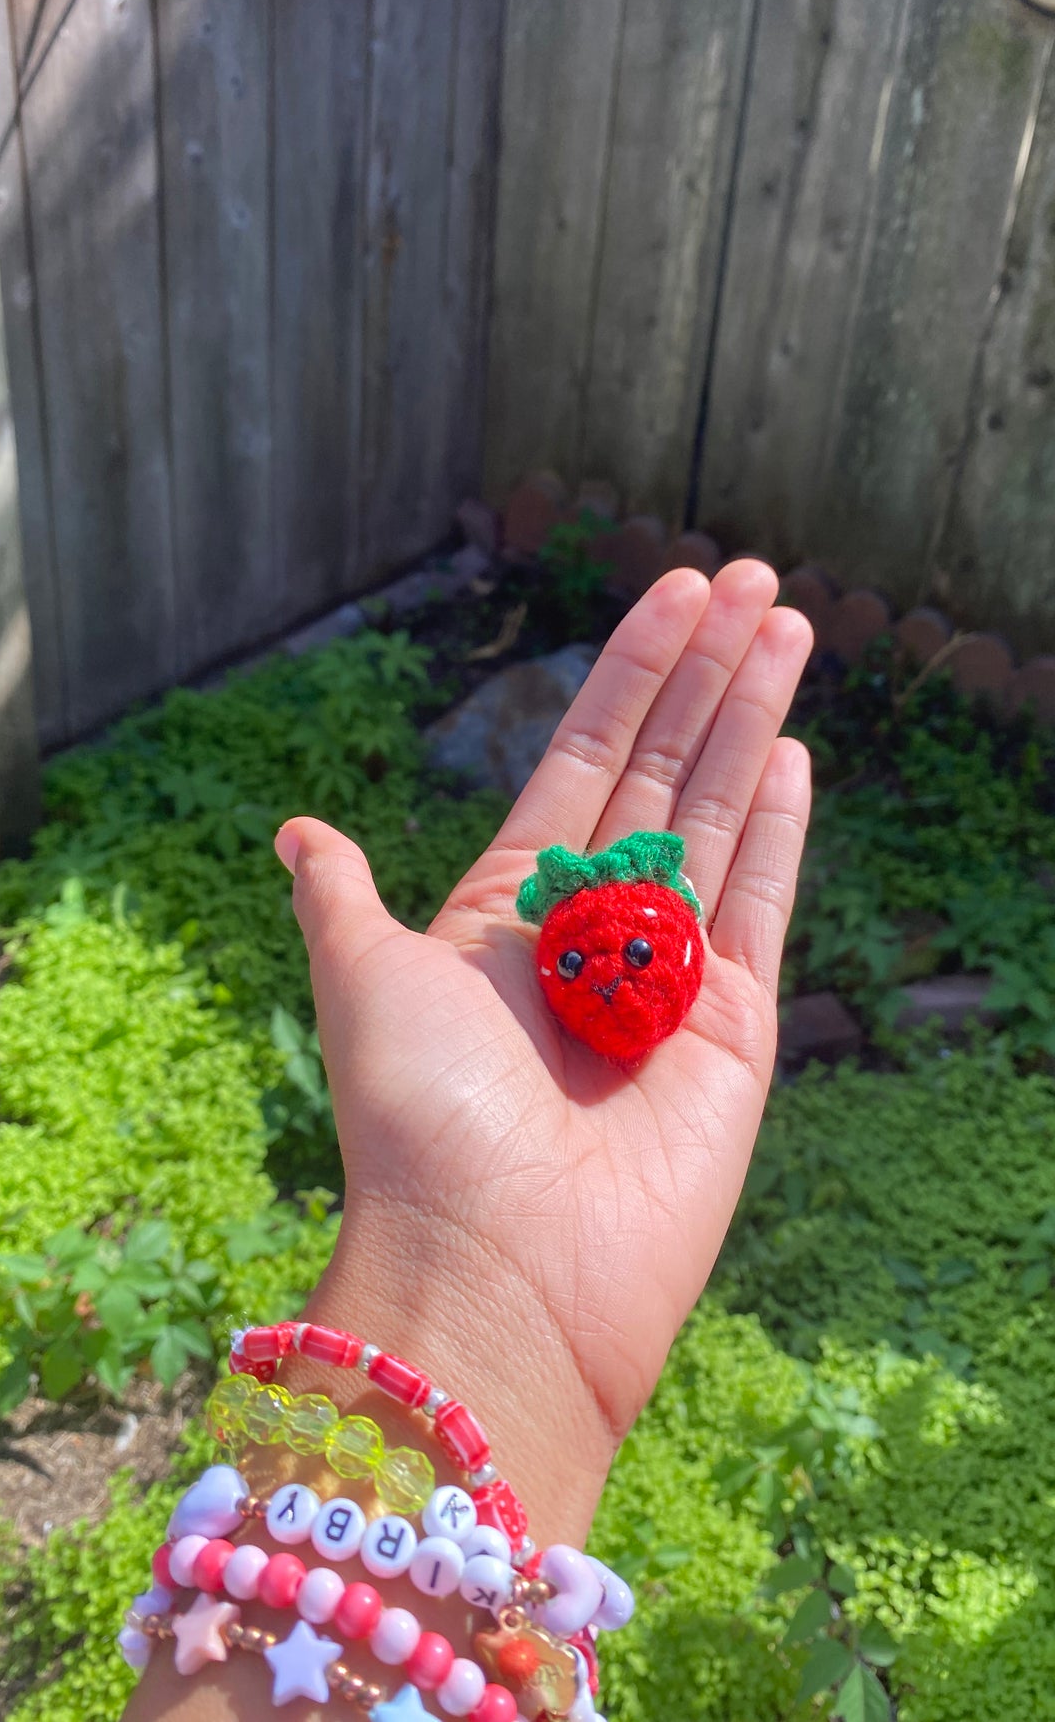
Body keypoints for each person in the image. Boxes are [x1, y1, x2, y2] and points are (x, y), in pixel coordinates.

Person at [125, 561, 813, 1721]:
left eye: (633, 954)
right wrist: (484, 1267)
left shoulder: (621, 942)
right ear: (561, 951)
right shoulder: (571, 947)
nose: (611, 972)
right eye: (592, 958)